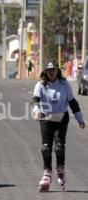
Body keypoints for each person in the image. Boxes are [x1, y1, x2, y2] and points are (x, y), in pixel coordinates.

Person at [32, 60, 85, 192]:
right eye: (49, 70)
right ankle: (47, 172)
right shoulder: (40, 85)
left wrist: (80, 119)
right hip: (46, 118)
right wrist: (36, 111)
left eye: (53, 70)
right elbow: (35, 100)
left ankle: (60, 168)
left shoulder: (64, 84)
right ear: (45, 71)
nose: (51, 72)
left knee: (59, 147)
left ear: (57, 71)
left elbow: (72, 102)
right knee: (45, 147)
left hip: (61, 118)